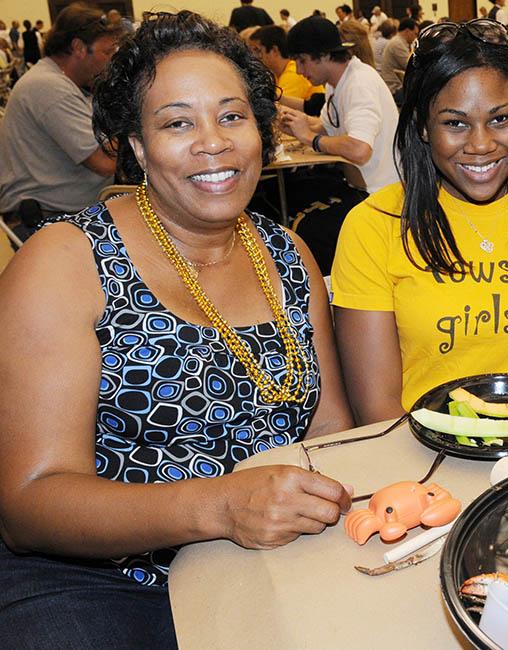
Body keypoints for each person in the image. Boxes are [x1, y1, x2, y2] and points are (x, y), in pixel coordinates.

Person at [0, 12, 354, 648]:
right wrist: (219, 507)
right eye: (177, 122)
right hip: (101, 581)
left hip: (265, 554)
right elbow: (30, 503)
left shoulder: (288, 254)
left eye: (232, 115)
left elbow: (329, 428)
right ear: (135, 145)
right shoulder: (66, 262)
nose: (213, 142)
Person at [332, 19, 508, 424]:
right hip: (419, 459)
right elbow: (378, 411)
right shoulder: (373, 225)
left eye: (501, 119)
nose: (481, 144)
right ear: (422, 126)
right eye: (455, 123)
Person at [0, 4, 121, 225]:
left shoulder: (69, 83)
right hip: (50, 219)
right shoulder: (50, 87)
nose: (112, 60)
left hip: (68, 211)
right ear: (79, 48)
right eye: (107, 52)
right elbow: (105, 163)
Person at [280, 16, 399, 193]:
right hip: (361, 186)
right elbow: (329, 129)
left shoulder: (359, 83)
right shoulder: (334, 83)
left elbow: (359, 149)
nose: (299, 70)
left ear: (325, 55)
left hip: (381, 193)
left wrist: (309, 138)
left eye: (302, 61)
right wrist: (298, 124)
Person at [248, 24, 324, 113]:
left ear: (274, 50)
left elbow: (278, 112)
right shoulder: (277, 74)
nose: (254, 56)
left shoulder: (294, 74)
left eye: (258, 51)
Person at [380, 17, 418, 101]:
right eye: (415, 34)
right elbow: (412, 65)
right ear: (407, 31)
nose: (415, 38)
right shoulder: (397, 44)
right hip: (394, 88)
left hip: (396, 85)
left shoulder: (400, 42)